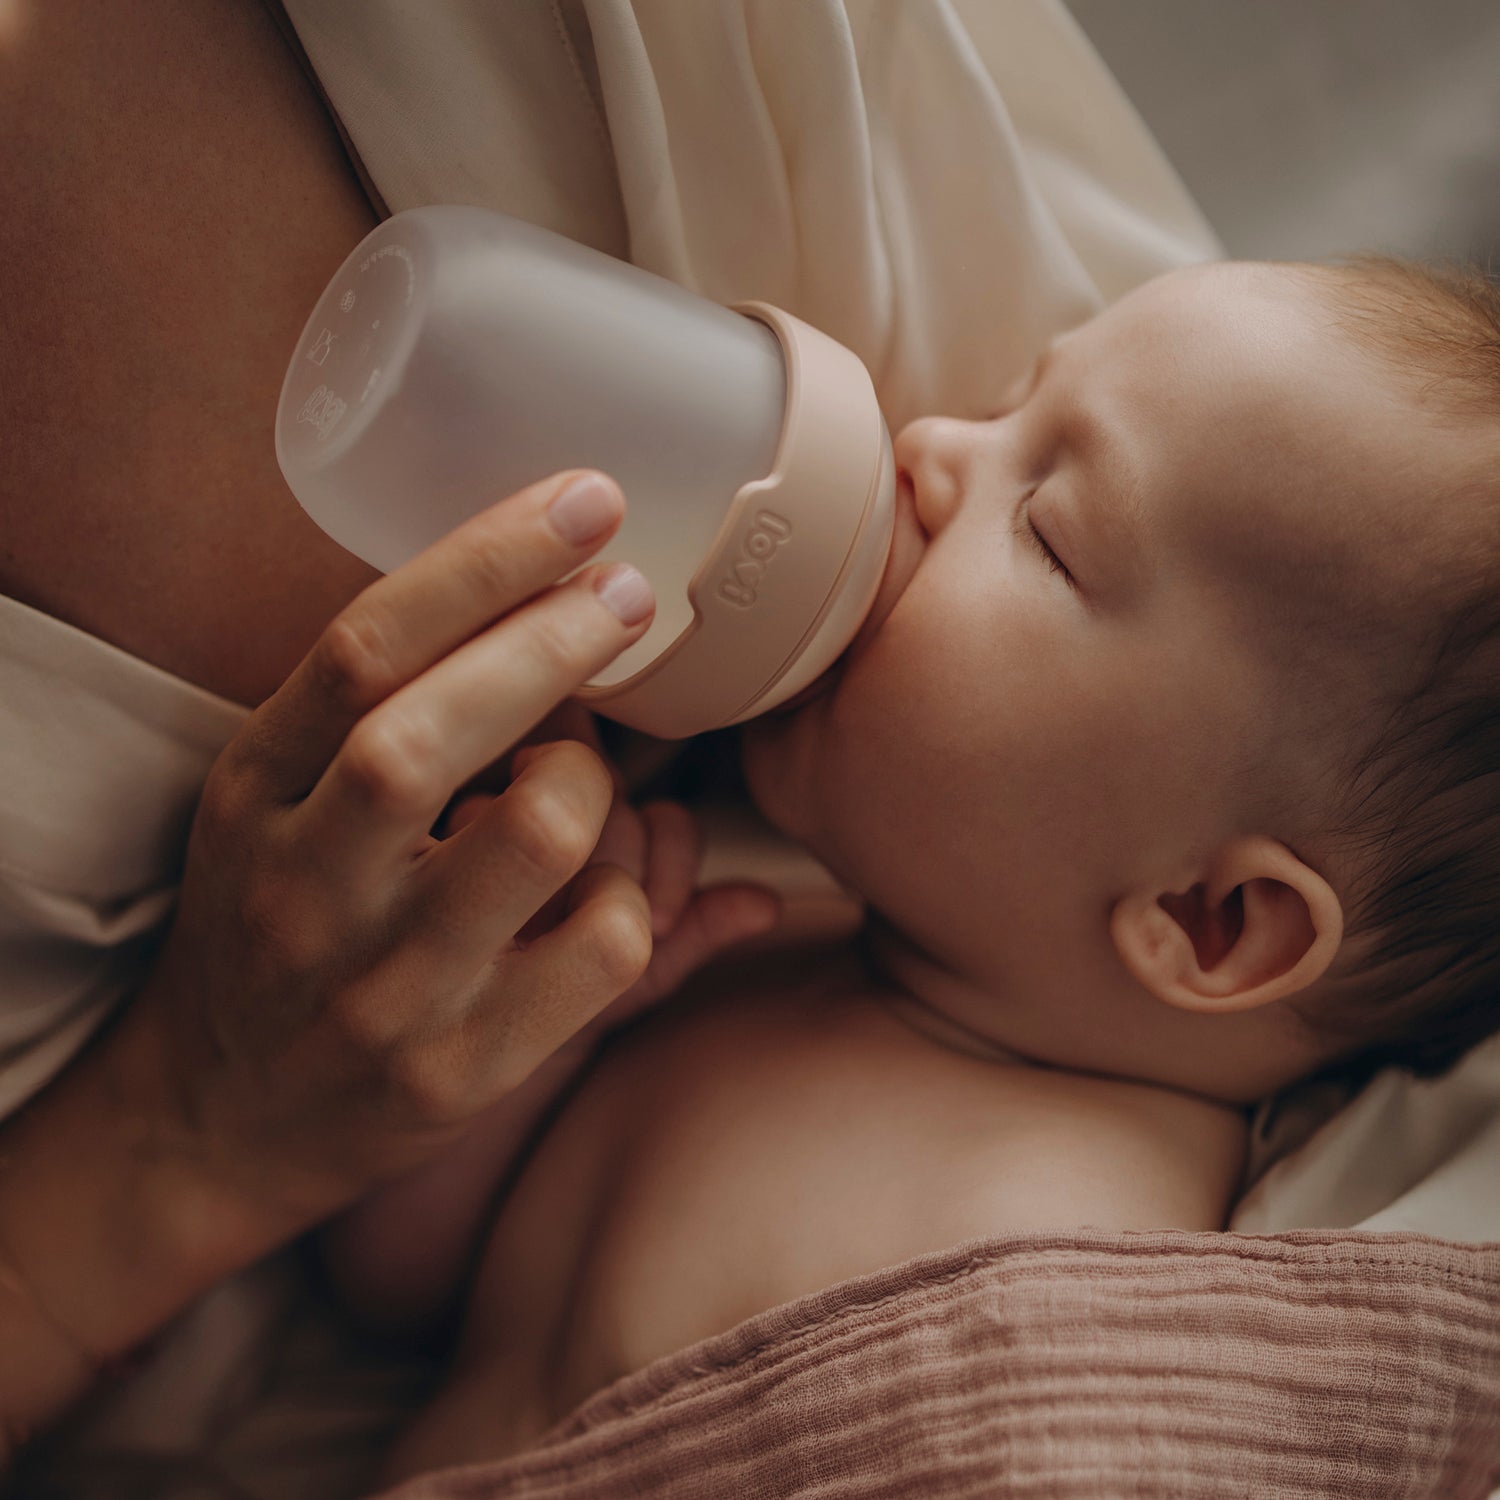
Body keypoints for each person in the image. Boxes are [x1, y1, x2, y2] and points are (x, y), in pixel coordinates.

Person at [306, 252, 1500, 1478]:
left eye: (1046, 528)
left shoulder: (1046, 1276)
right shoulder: (778, 933)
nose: (928, 445)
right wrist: (543, 1042)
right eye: (1002, 411)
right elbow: (397, 1285)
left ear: (1208, 920)